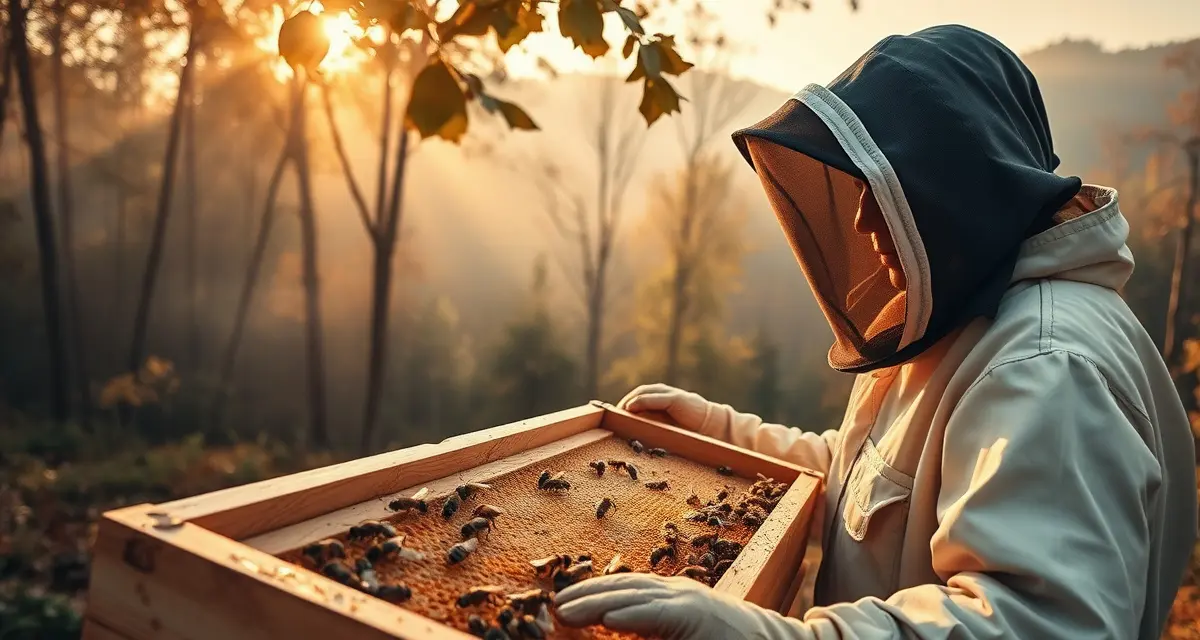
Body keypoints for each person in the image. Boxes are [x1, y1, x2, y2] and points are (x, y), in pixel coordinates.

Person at [552, 24, 1199, 640]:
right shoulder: (963, 320)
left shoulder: (1044, 367)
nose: (863, 220)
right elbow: (867, 483)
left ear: (962, 182)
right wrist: (720, 434)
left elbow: (1042, 624)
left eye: (890, 185)